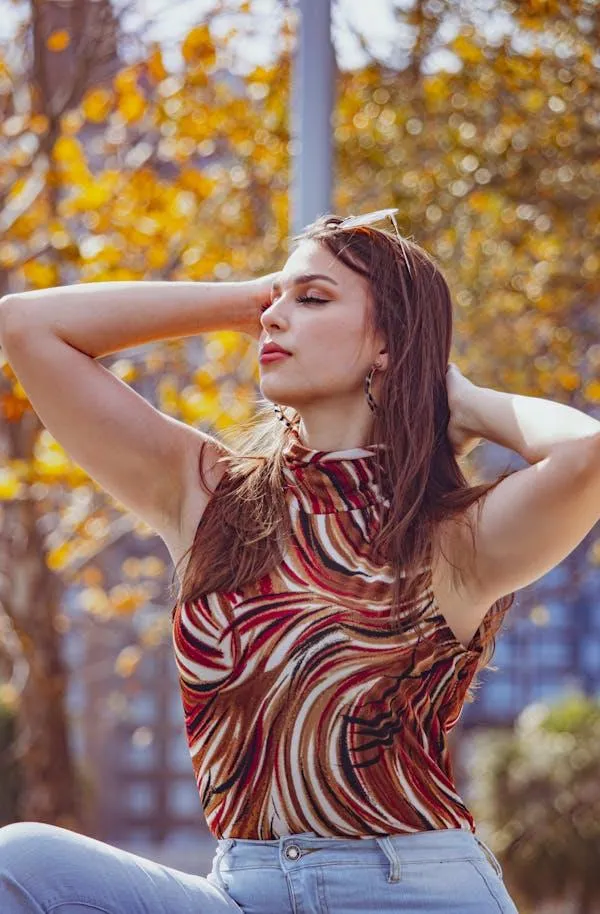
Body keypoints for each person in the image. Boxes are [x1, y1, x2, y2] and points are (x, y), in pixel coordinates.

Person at [0, 210, 598, 914]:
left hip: (408, 891)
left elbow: (585, 455)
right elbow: (27, 326)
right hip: (242, 890)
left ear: (388, 345)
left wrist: (462, 399)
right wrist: (246, 297)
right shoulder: (209, 500)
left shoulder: (451, 537)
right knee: (21, 863)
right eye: (273, 302)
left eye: (311, 299)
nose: (275, 318)